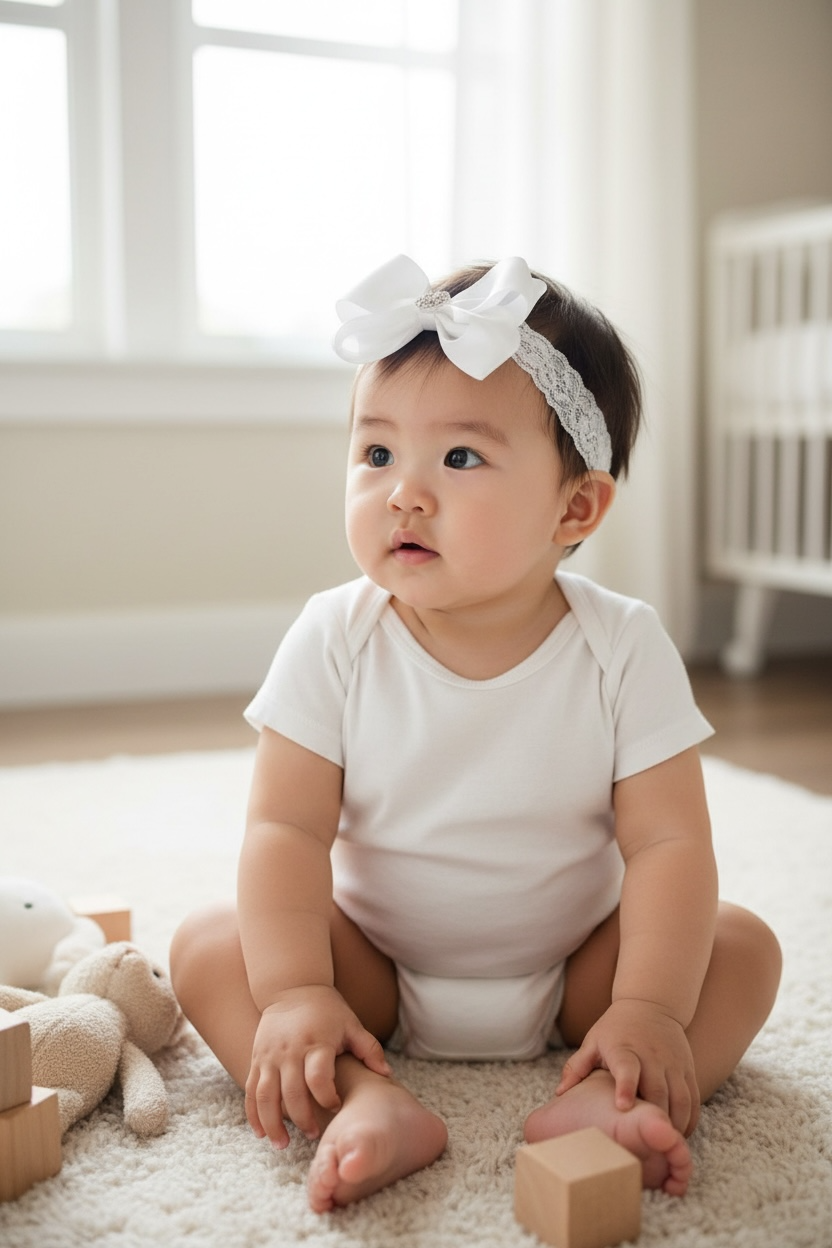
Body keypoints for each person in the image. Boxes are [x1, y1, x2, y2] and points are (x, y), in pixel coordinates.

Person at [170, 255, 781, 1214]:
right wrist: (295, 991)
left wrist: (649, 1009)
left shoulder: (622, 646)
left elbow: (669, 843)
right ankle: (365, 1097)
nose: (403, 494)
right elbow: (284, 832)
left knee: (741, 950)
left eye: (459, 458)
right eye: (376, 455)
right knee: (210, 944)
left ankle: (601, 1097)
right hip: (372, 970)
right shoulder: (335, 635)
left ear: (574, 507)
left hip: (581, 971)